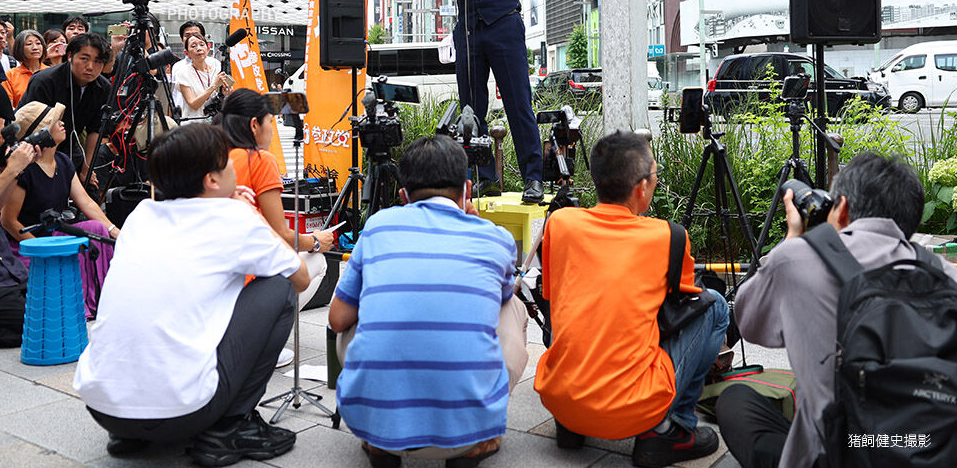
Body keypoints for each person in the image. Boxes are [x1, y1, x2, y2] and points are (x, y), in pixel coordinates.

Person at [73, 123, 308, 465]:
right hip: (183, 414)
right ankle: (231, 427)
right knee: (278, 287)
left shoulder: (141, 216)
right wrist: (250, 215)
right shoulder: (234, 217)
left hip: (104, 410)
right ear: (212, 180)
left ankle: (132, 433)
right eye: (227, 162)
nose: (233, 167)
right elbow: (300, 278)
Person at [715, 154, 957, 468]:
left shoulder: (797, 259)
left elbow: (749, 324)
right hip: (928, 450)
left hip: (835, 455)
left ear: (843, 207)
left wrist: (792, 239)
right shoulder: (947, 276)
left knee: (735, 400)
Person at [328, 134, 529, 468]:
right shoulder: (495, 237)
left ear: (403, 196)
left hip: (373, 424)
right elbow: (500, 296)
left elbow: (337, 319)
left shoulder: (377, 227)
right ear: (467, 189)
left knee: (356, 313)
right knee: (511, 304)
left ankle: (381, 439)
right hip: (469, 429)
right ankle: (475, 438)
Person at [534, 131, 728, 468]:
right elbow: (684, 303)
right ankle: (670, 429)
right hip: (632, 409)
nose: (656, 181)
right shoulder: (667, 236)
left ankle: (572, 422)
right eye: (654, 174)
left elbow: (551, 298)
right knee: (716, 307)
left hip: (559, 398)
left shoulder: (561, 223)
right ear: (641, 188)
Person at [430, 0, 627, 203]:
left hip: (504, 27)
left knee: (518, 104)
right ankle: (484, 178)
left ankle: (533, 179)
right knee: (471, 110)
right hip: (467, 31)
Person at [217, 88, 332, 366]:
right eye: (270, 121)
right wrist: (317, 240)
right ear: (254, 125)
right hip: (245, 283)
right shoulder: (260, 160)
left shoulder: (214, 156)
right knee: (317, 260)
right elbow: (280, 234)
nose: (272, 130)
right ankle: (263, 339)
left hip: (214, 281)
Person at [0, 101, 119, 319]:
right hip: (28, 245)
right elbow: (8, 221)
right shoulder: (25, 170)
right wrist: (42, 247)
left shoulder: (63, 161)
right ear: (40, 133)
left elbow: (86, 202)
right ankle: (77, 305)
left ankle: (104, 299)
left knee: (96, 230)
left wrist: (114, 231)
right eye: (55, 122)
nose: (62, 123)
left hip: (55, 236)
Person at [0, 76, 39, 347]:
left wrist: (16, 168)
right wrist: (11, 170)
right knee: (31, 320)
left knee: (49, 305)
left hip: (3, 269)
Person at [18, 33, 112, 184]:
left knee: (90, 186)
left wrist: (87, 167)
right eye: (84, 59)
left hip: (70, 144)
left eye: (98, 61)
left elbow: (95, 130)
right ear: (70, 56)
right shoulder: (45, 81)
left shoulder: (103, 87)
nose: (90, 67)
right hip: (32, 146)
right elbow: (30, 127)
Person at [173, 32, 232, 122]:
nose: (199, 48)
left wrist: (225, 93)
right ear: (186, 53)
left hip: (214, 124)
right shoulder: (183, 73)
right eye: (193, 46)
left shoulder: (216, 70)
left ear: (208, 49)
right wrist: (213, 86)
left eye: (202, 45)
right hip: (193, 125)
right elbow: (193, 104)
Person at [2, 30, 46, 107]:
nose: (35, 47)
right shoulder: (10, 75)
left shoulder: (51, 72)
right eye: (29, 44)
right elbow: (8, 107)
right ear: (20, 48)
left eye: (38, 43)